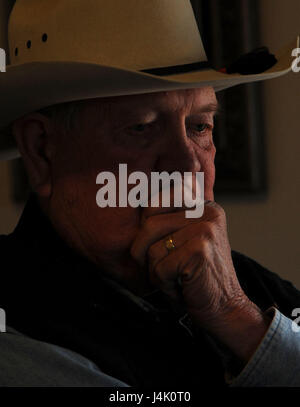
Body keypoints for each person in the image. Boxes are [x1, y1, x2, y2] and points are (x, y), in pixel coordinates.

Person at [0, 0, 299, 387]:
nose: (188, 167)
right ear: (41, 149)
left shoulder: (247, 289)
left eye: (199, 127)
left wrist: (237, 317)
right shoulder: (15, 328)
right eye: (141, 128)